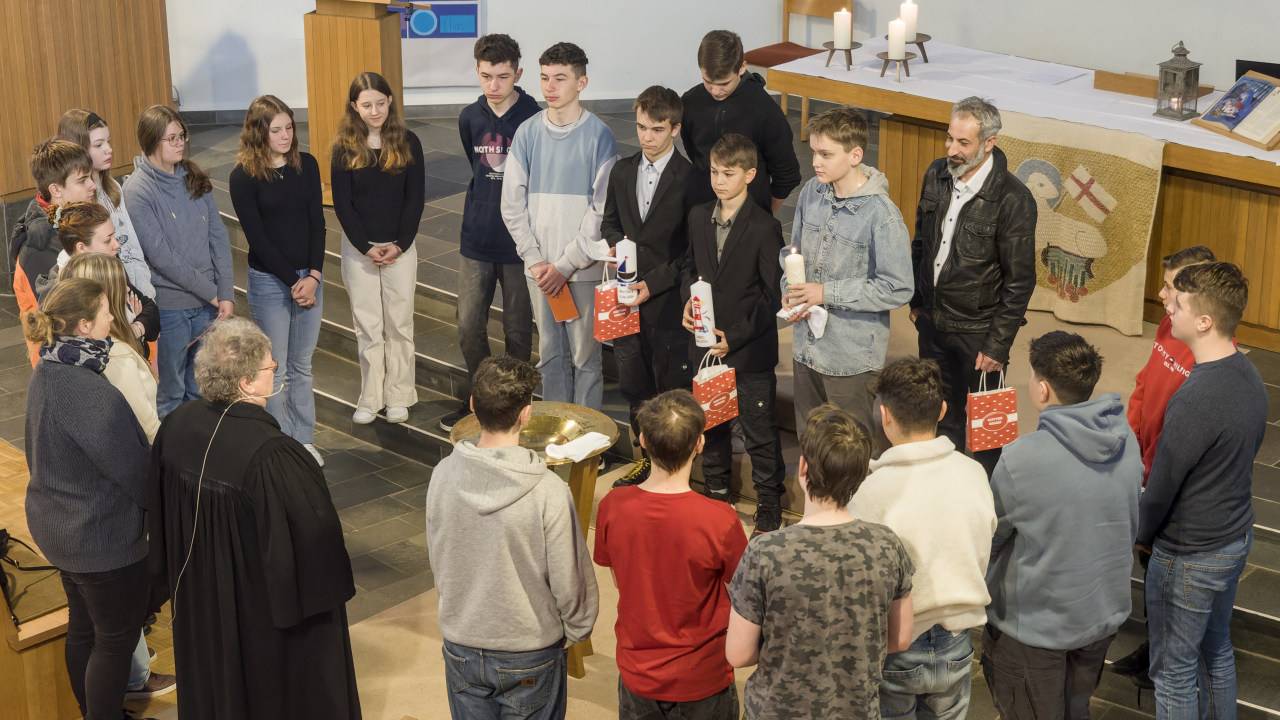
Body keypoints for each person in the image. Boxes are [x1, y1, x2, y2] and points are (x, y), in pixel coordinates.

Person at [148, 317, 361, 719]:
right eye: (270, 367)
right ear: (246, 382)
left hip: (201, 605)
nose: (274, 372)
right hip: (257, 622)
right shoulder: (274, 456)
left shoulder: (177, 426)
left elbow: (158, 516)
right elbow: (314, 552)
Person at [426, 355, 598, 720]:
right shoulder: (549, 491)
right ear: (527, 414)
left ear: (473, 405)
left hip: (462, 639)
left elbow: (439, 555)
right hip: (529, 647)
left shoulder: (442, 474)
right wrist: (577, 629)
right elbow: (569, 578)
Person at [983, 331, 1141, 720]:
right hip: (1100, 615)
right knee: (1076, 708)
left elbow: (991, 538)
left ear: (1042, 389)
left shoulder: (1022, 459)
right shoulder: (1126, 440)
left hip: (1036, 629)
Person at [726, 404, 914, 719]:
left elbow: (738, 653)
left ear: (803, 468)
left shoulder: (765, 552)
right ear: (860, 476)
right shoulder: (887, 545)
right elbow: (900, 638)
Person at [1138, 262, 1264, 720]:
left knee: (1173, 674)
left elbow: (1163, 485)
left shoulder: (1195, 397)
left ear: (1205, 321)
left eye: (1180, 304)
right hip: (1233, 537)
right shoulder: (1248, 374)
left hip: (1190, 554)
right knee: (1216, 651)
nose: (1170, 308)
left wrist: (1141, 532)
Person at [22, 277, 152, 720]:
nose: (112, 317)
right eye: (105, 312)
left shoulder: (48, 369)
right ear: (83, 325)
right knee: (114, 639)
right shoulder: (89, 392)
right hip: (98, 537)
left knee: (83, 629)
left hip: (60, 527)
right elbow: (133, 471)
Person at [850, 357, 995, 720]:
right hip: (958, 639)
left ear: (884, 415)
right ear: (943, 410)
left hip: (898, 643)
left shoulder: (871, 491)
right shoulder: (973, 473)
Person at [60, 252, 177, 702]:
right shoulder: (116, 360)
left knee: (84, 628)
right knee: (114, 634)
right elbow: (145, 436)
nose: (130, 301)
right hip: (109, 518)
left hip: (72, 512)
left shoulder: (63, 362)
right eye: (121, 295)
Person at [594, 390, 747, 718]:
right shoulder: (720, 519)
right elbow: (743, 594)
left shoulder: (612, 506)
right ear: (700, 444)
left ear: (642, 440)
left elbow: (620, 580)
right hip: (702, 675)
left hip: (639, 671)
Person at [909, 96, 1036, 475]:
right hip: (933, 323)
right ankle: (944, 486)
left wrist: (998, 344)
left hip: (979, 333)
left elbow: (1020, 281)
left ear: (989, 143)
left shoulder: (1013, 199)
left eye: (963, 143)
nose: (952, 150)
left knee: (987, 430)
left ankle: (987, 496)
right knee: (938, 414)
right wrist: (917, 302)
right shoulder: (936, 174)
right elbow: (921, 243)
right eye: (950, 138)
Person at [1112, 245, 1217, 687]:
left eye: (1170, 286)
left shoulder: (1205, 352)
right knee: (1148, 562)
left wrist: (1153, 467)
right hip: (1143, 461)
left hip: (1169, 476)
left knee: (1166, 571)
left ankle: (1170, 656)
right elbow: (1145, 384)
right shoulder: (1168, 325)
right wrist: (1131, 437)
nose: (1160, 294)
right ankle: (1153, 643)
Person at [784, 108, 913, 452]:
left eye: (826, 154)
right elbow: (792, 252)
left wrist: (825, 293)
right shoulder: (811, 192)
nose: (815, 162)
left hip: (849, 357)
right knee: (810, 441)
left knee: (849, 450)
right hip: (806, 346)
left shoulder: (881, 215)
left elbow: (898, 287)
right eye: (813, 152)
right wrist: (790, 290)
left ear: (855, 155)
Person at [501, 41, 617, 408]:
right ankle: (555, 430)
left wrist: (565, 265)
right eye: (544, 78)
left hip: (580, 270)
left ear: (582, 83)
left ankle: (587, 435)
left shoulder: (599, 136)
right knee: (550, 357)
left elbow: (600, 211)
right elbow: (511, 204)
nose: (549, 87)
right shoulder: (527, 133)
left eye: (560, 78)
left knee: (586, 360)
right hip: (540, 271)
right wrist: (536, 260)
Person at [681, 133, 785, 532]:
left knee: (758, 431)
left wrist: (736, 337)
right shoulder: (698, 216)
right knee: (712, 425)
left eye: (728, 173)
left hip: (748, 349)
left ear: (750, 175)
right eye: (714, 172)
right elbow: (690, 268)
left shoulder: (764, 227)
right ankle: (717, 494)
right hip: (706, 345)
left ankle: (769, 504)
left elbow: (771, 294)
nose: (719, 181)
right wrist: (687, 304)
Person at [438, 33, 540, 432]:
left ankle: (516, 405)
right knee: (468, 327)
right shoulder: (470, 117)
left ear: (518, 73)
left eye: (502, 76)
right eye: (485, 76)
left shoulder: (533, 117)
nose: (493, 85)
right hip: (476, 238)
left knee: (518, 332)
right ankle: (482, 402)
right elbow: (476, 165)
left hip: (518, 244)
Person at [601, 85, 694, 486]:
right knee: (634, 385)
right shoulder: (622, 170)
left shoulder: (691, 179)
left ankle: (676, 468)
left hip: (666, 301)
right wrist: (616, 249)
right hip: (626, 299)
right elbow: (610, 222)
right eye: (641, 127)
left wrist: (651, 284)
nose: (646, 137)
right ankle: (645, 461)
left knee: (669, 389)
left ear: (675, 129)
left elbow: (690, 251)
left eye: (656, 129)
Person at [230, 94, 327, 466]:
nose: (286, 136)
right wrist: (293, 281)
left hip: (309, 278)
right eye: (276, 130)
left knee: (302, 365)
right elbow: (258, 239)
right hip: (271, 281)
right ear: (259, 133)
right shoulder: (243, 177)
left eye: (289, 127)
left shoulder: (307, 165)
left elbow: (317, 224)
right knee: (277, 367)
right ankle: (282, 446)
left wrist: (314, 275)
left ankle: (304, 439)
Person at [124, 104, 234, 417]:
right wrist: (212, 293)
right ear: (151, 142)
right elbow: (162, 257)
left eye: (181, 136)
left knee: (200, 389)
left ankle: (197, 445)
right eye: (171, 138)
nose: (180, 143)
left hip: (208, 303)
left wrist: (225, 292)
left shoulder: (193, 176)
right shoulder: (137, 190)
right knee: (171, 393)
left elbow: (218, 236)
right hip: (172, 307)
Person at [331, 71, 426, 426]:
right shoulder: (344, 147)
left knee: (399, 323)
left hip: (400, 247)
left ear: (390, 102)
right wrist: (364, 246)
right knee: (368, 326)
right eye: (367, 105)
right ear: (354, 106)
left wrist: (400, 244)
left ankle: (399, 394)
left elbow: (415, 199)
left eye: (381, 103)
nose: (375, 111)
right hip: (361, 251)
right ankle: (371, 397)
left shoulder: (408, 142)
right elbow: (343, 205)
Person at [681, 30, 801, 214]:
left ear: (742, 67)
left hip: (750, 210)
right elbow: (694, 153)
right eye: (708, 82)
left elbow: (787, 173)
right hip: (702, 208)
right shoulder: (690, 101)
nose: (715, 91)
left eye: (724, 84)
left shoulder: (765, 110)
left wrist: (765, 215)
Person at [10, 138, 97, 366]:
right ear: (56, 190)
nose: (92, 185)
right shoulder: (38, 247)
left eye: (91, 177)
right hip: (62, 362)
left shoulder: (73, 221)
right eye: (83, 180)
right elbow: (62, 315)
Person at [57, 108, 156, 299]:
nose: (108, 149)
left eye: (108, 141)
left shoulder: (113, 188)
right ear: (79, 149)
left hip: (139, 290)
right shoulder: (77, 203)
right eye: (98, 144)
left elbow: (132, 246)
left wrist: (146, 291)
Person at [37, 201, 159, 353]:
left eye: (114, 236)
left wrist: (136, 328)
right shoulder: (67, 294)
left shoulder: (111, 267)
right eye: (107, 240)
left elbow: (151, 311)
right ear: (81, 247)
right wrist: (129, 327)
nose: (117, 245)